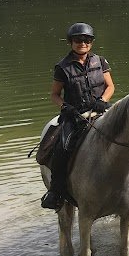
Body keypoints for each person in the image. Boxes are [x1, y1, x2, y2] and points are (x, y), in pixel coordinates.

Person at [41, 22, 115, 210]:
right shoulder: (62, 67)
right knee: (63, 147)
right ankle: (56, 191)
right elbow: (54, 95)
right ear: (71, 42)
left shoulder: (100, 61)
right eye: (78, 40)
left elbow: (110, 86)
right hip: (75, 115)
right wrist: (65, 107)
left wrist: (103, 100)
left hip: (100, 110)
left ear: (91, 42)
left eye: (87, 40)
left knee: (128, 131)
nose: (83, 43)